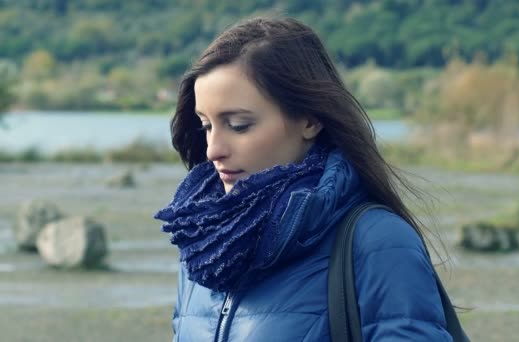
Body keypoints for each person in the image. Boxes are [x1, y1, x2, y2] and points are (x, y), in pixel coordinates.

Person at [155, 17, 453, 341]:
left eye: (239, 125)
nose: (213, 150)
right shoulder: (204, 242)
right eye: (206, 126)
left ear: (309, 120)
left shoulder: (378, 241)